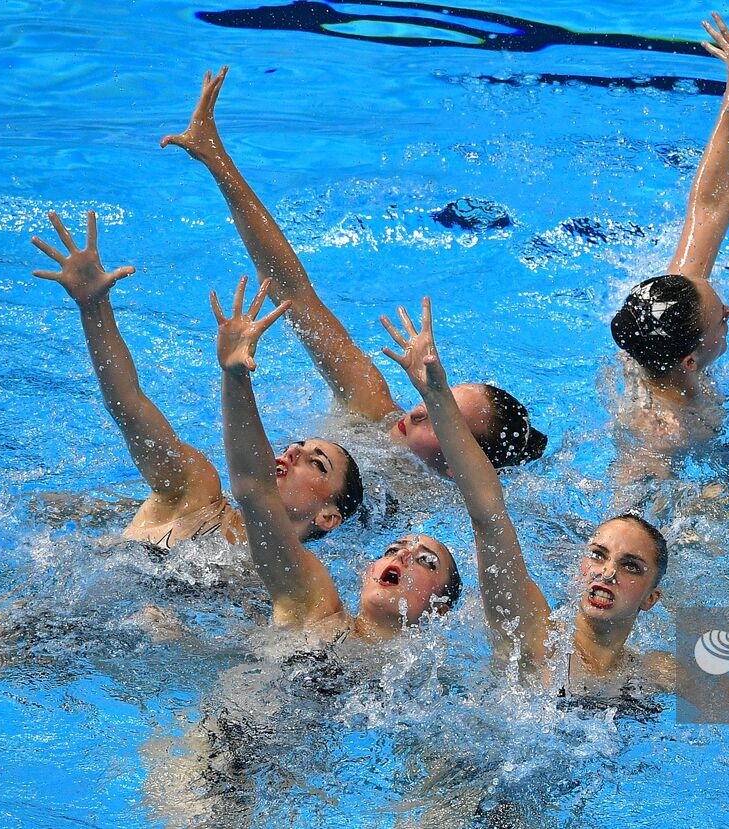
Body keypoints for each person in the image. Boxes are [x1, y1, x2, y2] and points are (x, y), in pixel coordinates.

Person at [162, 67, 545, 477]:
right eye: (435, 396)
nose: (418, 410)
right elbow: (293, 290)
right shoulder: (368, 403)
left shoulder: (445, 515)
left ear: (461, 463)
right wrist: (217, 161)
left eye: (439, 413)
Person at [381, 298, 679, 695]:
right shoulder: (533, 633)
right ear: (578, 568)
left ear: (651, 599)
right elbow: (488, 513)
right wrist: (437, 395)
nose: (607, 573)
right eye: (598, 554)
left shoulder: (655, 673)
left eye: (631, 567)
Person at [30, 210, 363, 549]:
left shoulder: (305, 591)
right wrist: (94, 309)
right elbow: (128, 406)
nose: (293, 451)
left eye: (316, 463)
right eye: (300, 447)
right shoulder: (195, 489)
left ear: (328, 517)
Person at [214, 277, 460, 639]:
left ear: (439, 611)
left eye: (426, 561)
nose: (402, 556)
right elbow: (254, 492)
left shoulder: (432, 685)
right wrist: (235, 376)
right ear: (366, 572)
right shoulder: (314, 607)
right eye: (393, 548)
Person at [608, 15, 729, 468]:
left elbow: (709, 207)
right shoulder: (661, 432)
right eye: (721, 319)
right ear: (690, 361)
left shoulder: (670, 312)